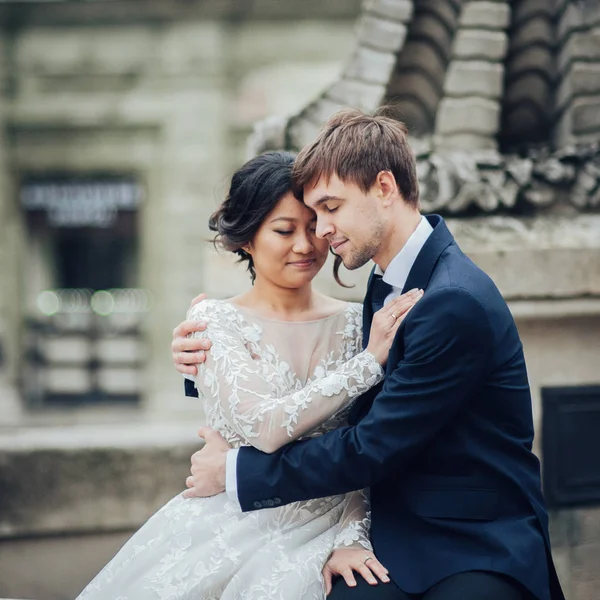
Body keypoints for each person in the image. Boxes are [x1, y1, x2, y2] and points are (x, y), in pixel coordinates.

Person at [174, 110, 566, 600]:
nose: (320, 232)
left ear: (384, 187)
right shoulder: (387, 281)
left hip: (472, 535)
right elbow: (325, 387)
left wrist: (235, 472)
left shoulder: (451, 300)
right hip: (387, 518)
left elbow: (373, 444)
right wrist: (203, 360)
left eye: (330, 208)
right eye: (312, 215)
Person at [75, 151, 422, 600]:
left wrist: (351, 536)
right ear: (245, 239)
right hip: (235, 517)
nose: (305, 244)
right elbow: (264, 428)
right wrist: (368, 363)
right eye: (284, 230)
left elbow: (369, 448)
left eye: (312, 225)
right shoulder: (214, 322)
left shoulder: (362, 323)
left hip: (329, 523)